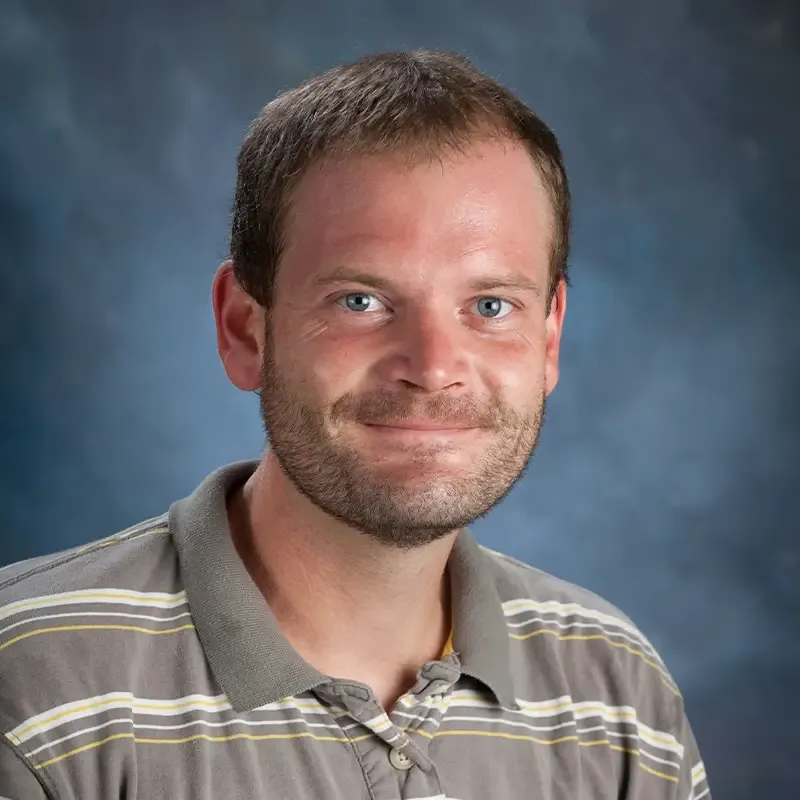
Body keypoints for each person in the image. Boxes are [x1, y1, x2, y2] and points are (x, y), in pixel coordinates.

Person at [0, 49, 711, 799]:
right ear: (244, 327)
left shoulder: (619, 696)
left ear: (550, 338)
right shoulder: (32, 685)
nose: (434, 367)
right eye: (360, 301)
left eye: (491, 306)